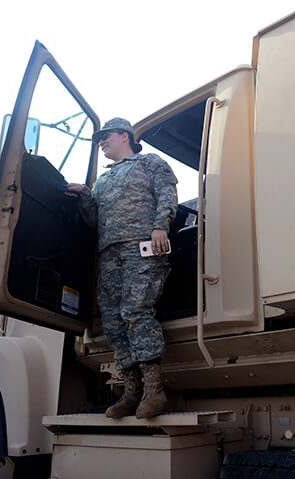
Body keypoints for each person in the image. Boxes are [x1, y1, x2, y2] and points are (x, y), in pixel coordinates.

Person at [65, 117, 178, 419]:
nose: (101, 142)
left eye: (105, 136)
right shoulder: (102, 181)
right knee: (114, 322)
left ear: (125, 136)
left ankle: (155, 391)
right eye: (99, 138)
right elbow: (93, 221)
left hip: (141, 246)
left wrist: (159, 226)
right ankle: (131, 391)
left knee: (136, 311)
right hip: (109, 254)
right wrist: (85, 196)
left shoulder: (149, 163)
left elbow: (167, 194)